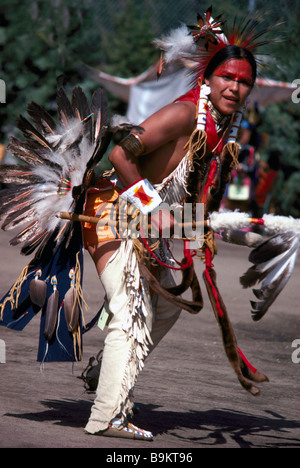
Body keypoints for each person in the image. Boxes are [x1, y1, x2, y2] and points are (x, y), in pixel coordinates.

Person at [81, 8, 264, 440]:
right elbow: (120, 154)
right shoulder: (185, 115)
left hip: (148, 227)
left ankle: (107, 372)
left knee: (165, 305)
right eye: (228, 78)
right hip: (111, 209)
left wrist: (220, 226)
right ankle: (106, 416)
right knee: (131, 309)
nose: (235, 88)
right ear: (209, 79)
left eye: (243, 82)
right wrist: (151, 207)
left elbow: (183, 201)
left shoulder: (221, 131)